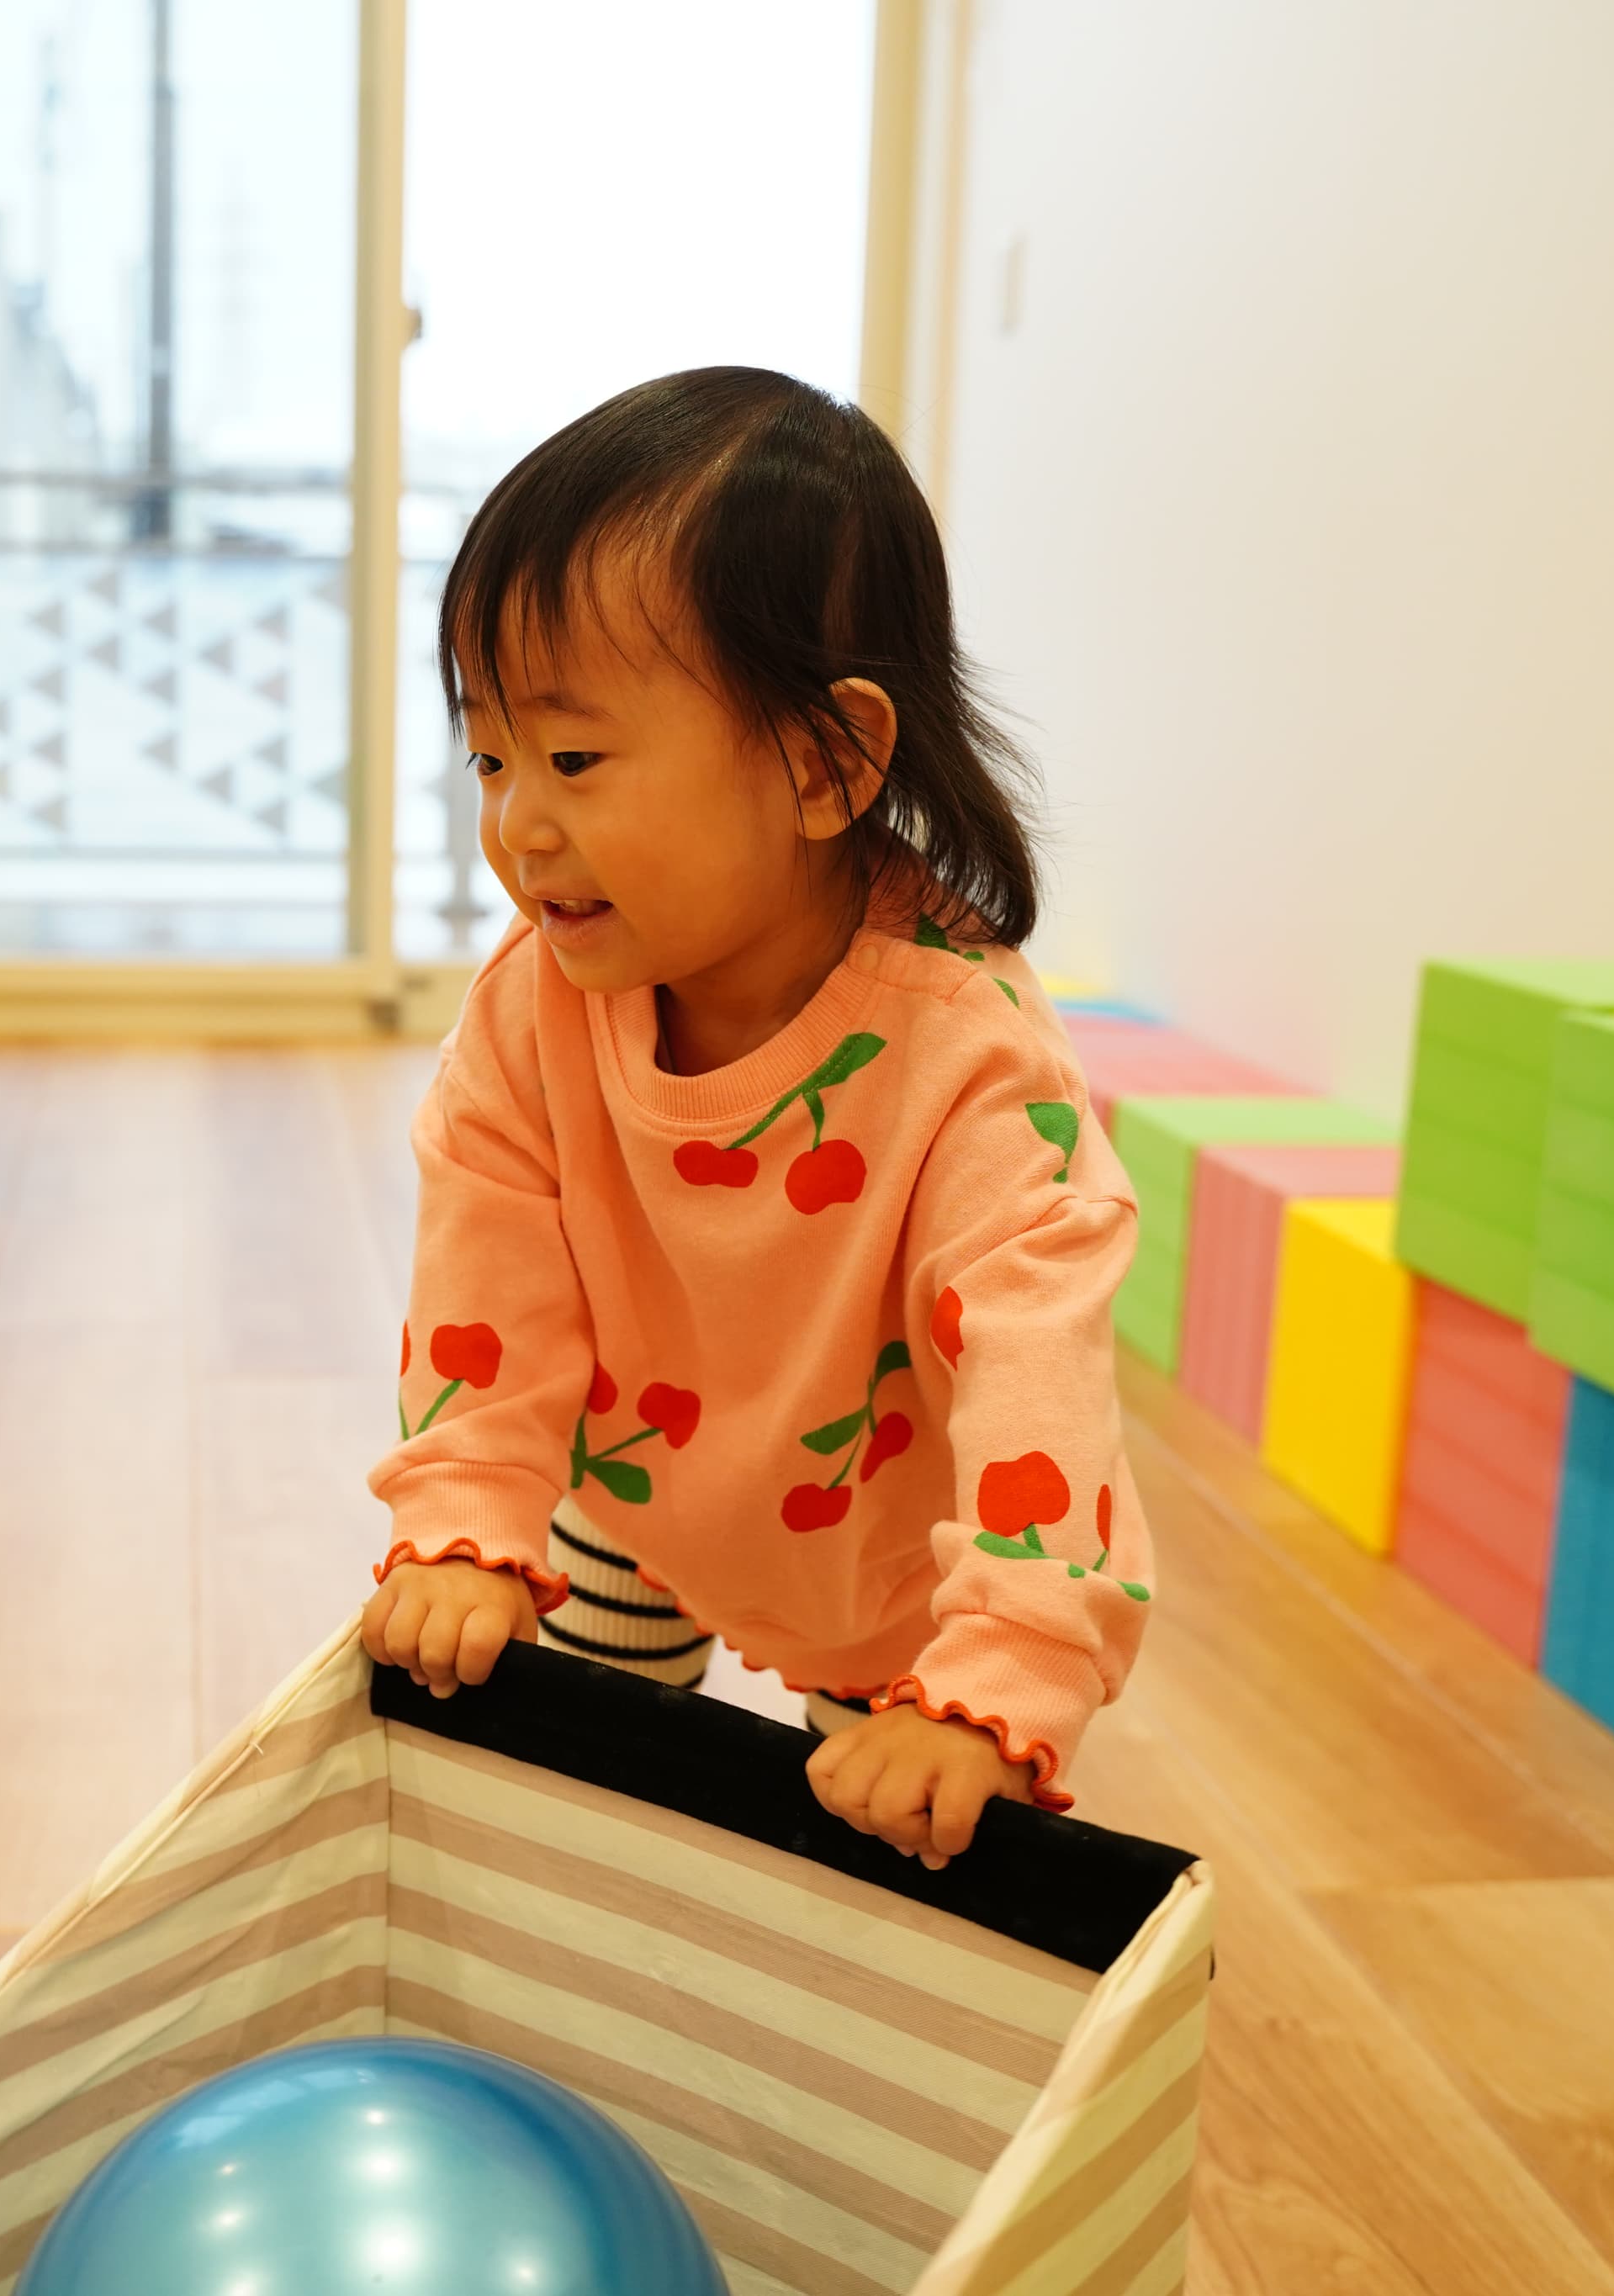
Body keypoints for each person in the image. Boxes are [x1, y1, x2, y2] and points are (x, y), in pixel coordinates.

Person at [359, 368, 1152, 1870]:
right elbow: (485, 1285)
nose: (518, 823)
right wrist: (467, 1515)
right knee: (571, 1812)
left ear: (824, 761)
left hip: (891, 1572)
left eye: (573, 759)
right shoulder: (536, 1006)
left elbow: (1040, 1379)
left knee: (884, 1857)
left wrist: (1000, 1680)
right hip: (638, 1497)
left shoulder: (968, 1065)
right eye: (491, 758)